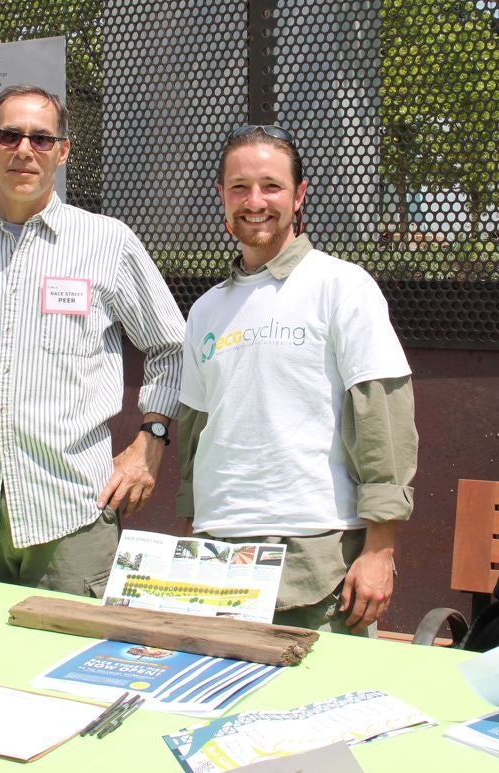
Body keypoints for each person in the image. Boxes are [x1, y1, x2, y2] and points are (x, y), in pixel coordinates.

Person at [0, 84, 185, 597]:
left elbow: (173, 349)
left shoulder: (107, 242)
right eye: (10, 136)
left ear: (62, 151)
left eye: (41, 138)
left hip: (71, 514)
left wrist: (151, 443)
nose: (24, 150)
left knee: (67, 670)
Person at [176, 124, 417, 634]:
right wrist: (193, 527)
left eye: (271, 185)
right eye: (239, 187)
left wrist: (380, 547)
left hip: (315, 550)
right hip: (218, 548)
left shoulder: (342, 286)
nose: (255, 200)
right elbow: (196, 431)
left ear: (299, 195)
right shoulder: (206, 309)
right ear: (221, 196)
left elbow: (383, 418)